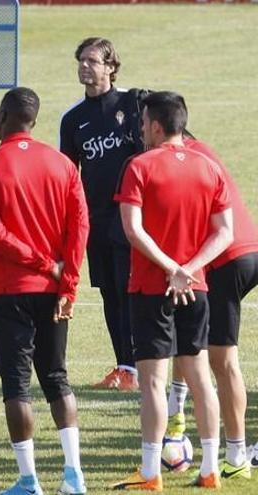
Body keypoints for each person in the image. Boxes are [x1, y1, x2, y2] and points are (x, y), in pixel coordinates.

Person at [111, 91, 232, 490]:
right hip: (195, 288)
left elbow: (133, 228)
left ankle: (150, 472)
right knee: (200, 376)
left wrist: (170, 269)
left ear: (157, 126)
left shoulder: (139, 166)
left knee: (153, 382)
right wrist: (190, 270)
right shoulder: (208, 168)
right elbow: (225, 232)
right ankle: (210, 467)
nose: (141, 128)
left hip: (151, 287)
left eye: (144, 122)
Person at [0, 87, 89, 495]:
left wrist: (43, 264)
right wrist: (68, 283)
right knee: (57, 376)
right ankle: (73, 475)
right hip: (55, 290)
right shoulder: (62, 165)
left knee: (17, 385)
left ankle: (29, 480)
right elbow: (80, 228)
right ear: (35, 121)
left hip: (11, 290)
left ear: (3, 115)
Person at [162, 137, 258, 479]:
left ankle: (235, 457)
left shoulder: (177, 161)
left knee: (222, 361)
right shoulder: (199, 151)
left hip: (226, 260)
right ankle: (177, 420)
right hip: (247, 251)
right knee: (191, 337)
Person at [60, 37, 144, 391]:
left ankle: (139, 368)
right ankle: (125, 368)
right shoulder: (73, 120)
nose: (84, 66)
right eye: (81, 60)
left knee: (130, 292)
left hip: (129, 217)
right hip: (96, 221)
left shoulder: (132, 104)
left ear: (110, 66)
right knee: (110, 292)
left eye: (92, 61)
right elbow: (68, 175)